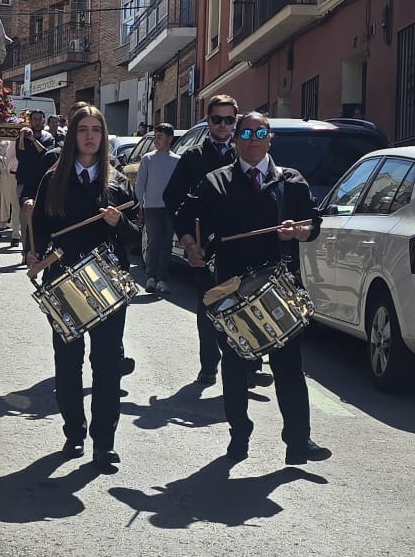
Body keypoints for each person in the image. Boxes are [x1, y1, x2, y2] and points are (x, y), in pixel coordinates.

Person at [178, 111, 330, 467]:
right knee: (235, 368)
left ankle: (298, 442)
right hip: (233, 289)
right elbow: (187, 218)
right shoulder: (215, 182)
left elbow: (314, 224)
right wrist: (191, 245)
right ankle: (239, 435)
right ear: (235, 139)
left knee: (289, 367)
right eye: (245, 132)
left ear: (269, 139)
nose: (252, 138)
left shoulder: (290, 181)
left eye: (260, 132)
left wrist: (299, 231)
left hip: (280, 287)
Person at [27, 104, 133, 470]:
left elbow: (135, 240)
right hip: (63, 279)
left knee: (107, 363)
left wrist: (119, 222)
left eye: (97, 130)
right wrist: (35, 253)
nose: (90, 135)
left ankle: (104, 441)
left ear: (103, 138)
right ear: (73, 135)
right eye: (83, 129)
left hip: (109, 284)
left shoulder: (118, 183)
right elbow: (39, 226)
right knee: (68, 363)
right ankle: (74, 429)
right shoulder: (52, 179)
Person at [164, 95, 239, 385]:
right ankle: (209, 364)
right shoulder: (193, 157)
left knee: (240, 305)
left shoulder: (243, 154)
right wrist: (187, 241)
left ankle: (248, 362)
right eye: (217, 119)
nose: (223, 125)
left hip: (238, 246)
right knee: (208, 308)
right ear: (208, 121)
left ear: (235, 121)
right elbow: (173, 199)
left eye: (229, 120)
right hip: (204, 246)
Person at [136, 123, 180, 295]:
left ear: (170, 138)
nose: (156, 140)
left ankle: (163, 279)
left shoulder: (177, 160)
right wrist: (141, 204)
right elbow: (140, 183)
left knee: (166, 244)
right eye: (155, 137)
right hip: (152, 207)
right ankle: (150, 277)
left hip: (169, 209)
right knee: (153, 242)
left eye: (160, 137)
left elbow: (179, 187)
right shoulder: (148, 159)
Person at [15, 109, 58, 258]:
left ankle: (42, 247)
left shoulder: (49, 138)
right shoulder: (23, 137)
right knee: (25, 218)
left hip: (43, 183)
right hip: (25, 182)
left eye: (40, 119)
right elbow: (20, 154)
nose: (37, 122)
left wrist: (34, 140)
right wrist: (22, 137)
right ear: (30, 121)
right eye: (34, 119)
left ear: (43, 121)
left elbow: (47, 155)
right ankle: (26, 250)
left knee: (42, 216)